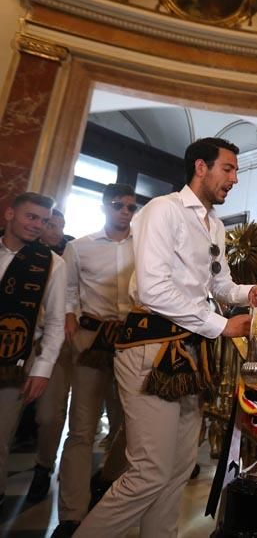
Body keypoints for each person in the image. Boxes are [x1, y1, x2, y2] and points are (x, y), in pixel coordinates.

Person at [75, 138, 257, 537]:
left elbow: (220, 285)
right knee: (149, 471)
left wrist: (250, 294)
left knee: (177, 470)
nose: (234, 178)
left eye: (235, 170)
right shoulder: (164, 210)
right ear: (201, 167)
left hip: (189, 352)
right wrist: (221, 326)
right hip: (150, 347)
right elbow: (153, 290)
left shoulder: (213, 224)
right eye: (228, 168)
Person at [52, 184, 137, 536]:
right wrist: (70, 317)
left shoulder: (144, 246)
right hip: (91, 337)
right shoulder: (79, 247)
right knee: (82, 426)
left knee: (129, 425)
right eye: (118, 206)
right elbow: (68, 289)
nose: (124, 212)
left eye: (131, 207)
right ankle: (72, 513)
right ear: (105, 207)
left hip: (132, 339)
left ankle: (109, 481)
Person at [0, 192, 66, 509]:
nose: (38, 225)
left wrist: (42, 370)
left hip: (13, 361)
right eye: (31, 217)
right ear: (10, 214)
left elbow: (55, 323)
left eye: (44, 220)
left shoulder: (52, 263)